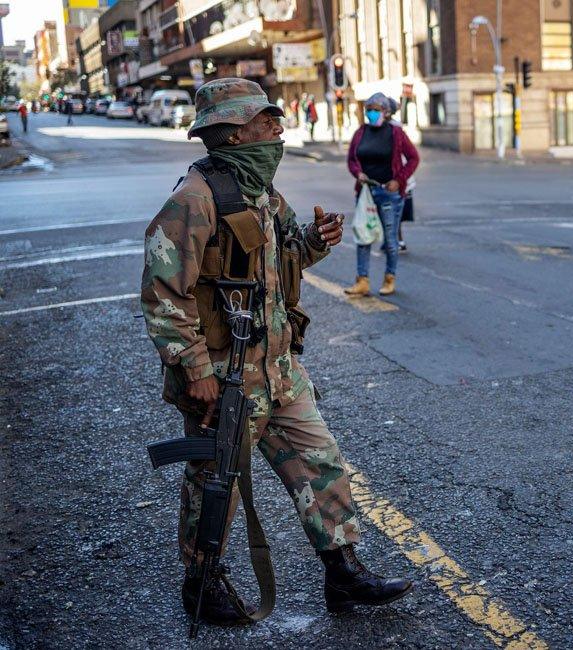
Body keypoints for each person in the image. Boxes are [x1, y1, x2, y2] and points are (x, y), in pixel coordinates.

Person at [141, 78, 412, 629]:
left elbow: (279, 261)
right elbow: (163, 292)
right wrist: (195, 368)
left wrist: (316, 240)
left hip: (279, 369)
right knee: (216, 485)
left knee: (322, 463)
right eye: (267, 121)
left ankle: (343, 572)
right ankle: (202, 582)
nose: (279, 129)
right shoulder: (194, 198)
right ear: (237, 131)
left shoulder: (262, 191)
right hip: (226, 377)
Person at [344, 93, 420, 297]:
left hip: (389, 194)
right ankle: (362, 281)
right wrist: (357, 173)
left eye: (376, 109)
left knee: (390, 238)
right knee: (363, 235)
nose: (371, 113)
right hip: (365, 193)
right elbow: (352, 159)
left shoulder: (396, 133)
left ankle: (389, 278)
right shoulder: (361, 132)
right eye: (369, 109)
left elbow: (413, 158)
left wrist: (399, 180)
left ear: (385, 112)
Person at [385, 97, 415, 253]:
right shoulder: (391, 127)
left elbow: (410, 156)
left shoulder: (395, 129)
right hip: (399, 177)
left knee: (393, 211)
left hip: (396, 177)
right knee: (392, 211)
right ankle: (393, 240)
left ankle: (396, 240)